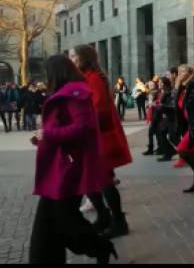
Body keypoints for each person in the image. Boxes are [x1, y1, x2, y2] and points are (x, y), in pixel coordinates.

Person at [28, 55, 116, 264]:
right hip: (60, 168)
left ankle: (100, 247)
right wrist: (43, 136)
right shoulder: (70, 93)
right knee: (50, 223)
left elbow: (83, 128)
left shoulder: (75, 94)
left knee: (64, 222)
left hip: (68, 169)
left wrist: (48, 135)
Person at [70, 45, 133, 239]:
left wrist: (79, 125)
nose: (71, 59)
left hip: (98, 139)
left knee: (104, 182)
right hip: (92, 137)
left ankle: (118, 221)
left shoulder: (94, 78)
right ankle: (105, 217)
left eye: (74, 56)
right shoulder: (85, 77)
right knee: (91, 181)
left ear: (85, 58)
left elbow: (99, 110)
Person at [154, 77, 177, 160]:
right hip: (166, 116)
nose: (159, 84)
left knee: (173, 137)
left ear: (165, 83)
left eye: (160, 82)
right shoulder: (164, 91)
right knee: (161, 132)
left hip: (171, 117)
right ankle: (169, 152)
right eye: (159, 82)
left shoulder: (170, 91)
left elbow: (172, 105)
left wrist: (161, 107)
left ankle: (184, 152)